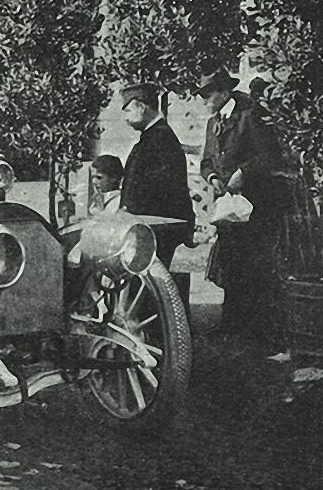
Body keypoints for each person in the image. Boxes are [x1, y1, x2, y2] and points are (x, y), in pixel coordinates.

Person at [196, 68, 288, 343]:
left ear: (224, 92)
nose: (204, 100)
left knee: (257, 268)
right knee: (231, 265)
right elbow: (206, 162)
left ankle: (263, 333)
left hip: (256, 206)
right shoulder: (214, 123)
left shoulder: (250, 115)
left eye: (207, 94)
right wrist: (212, 177)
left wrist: (243, 173)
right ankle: (232, 324)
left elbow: (271, 158)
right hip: (228, 208)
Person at [119, 82, 195, 268]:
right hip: (150, 227)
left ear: (141, 106)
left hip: (157, 229)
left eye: (127, 111)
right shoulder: (153, 137)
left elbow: (158, 189)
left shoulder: (160, 139)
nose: (125, 119)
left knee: (149, 288)